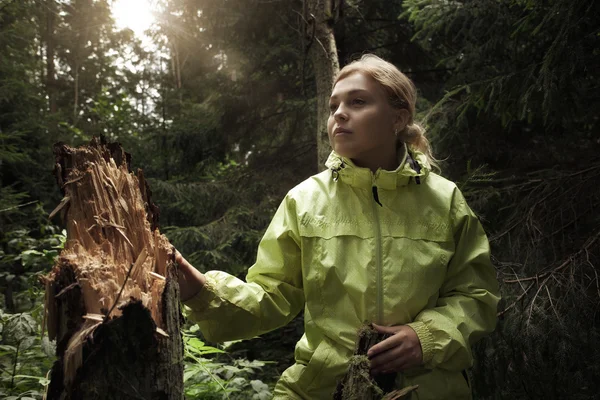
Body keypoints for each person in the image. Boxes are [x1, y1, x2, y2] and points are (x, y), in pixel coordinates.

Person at [176, 54, 500, 399]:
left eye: (358, 101)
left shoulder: (445, 200)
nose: (339, 114)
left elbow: (477, 296)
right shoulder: (305, 201)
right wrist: (202, 292)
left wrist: (428, 336)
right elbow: (271, 298)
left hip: (428, 390)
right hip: (319, 391)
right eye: (334, 106)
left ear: (398, 116)